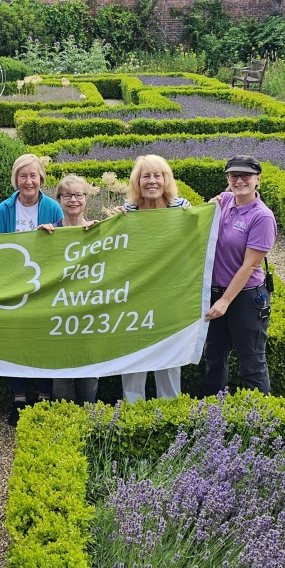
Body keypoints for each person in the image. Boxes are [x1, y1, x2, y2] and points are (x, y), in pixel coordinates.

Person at [0, 154, 64, 424]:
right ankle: (19, 401)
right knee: (18, 343)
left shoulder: (53, 208)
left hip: (46, 286)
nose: (28, 181)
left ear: (41, 179)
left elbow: (63, 244)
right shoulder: (5, 209)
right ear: (16, 180)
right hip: (16, 287)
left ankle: (44, 398)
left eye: (33, 176)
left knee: (44, 343)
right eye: (23, 176)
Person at [202, 155, 276, 396]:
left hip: (246, 298)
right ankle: (212, 413)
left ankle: (257, 419)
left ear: (258, 180)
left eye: (246, 175)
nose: (239, 180)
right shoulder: (223, 201)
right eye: (234, 176)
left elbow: (249, 266)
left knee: (251, 362)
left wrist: (225, 301)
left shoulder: (262, 217)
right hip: (216, 292)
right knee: (213, 358)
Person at [119, 154, 191, 403]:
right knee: (133, 358)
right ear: (137, 182)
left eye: (157, 176)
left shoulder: (181, 208)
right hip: (135, 298)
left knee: (169, 359)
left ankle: (169, 413)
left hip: (170, 298)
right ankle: (133, 414)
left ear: (166, 180)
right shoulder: (127, 212)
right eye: (145, 176)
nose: (151, 181)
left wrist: (197, 216)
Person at [39, 174, 100, 406]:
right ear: (59, 200)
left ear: (86, 199)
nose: (73, 200)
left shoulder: (97, 231)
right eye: (67, 196)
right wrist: (40, 238)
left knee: (90, 375)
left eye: (78, 195)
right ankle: (65, 420)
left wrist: (105, 231)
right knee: (60, 378)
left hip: (89, 314)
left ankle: (87, 419)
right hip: (60, 316)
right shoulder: (50, 232)